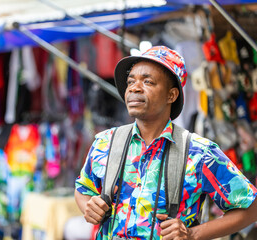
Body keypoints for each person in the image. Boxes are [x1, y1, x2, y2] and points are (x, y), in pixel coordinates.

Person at [74, 46, 257, 240]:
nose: (134, 88)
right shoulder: (105, 142)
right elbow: (83, 190)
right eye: (130, 81)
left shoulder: (200, 152)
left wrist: (193, 234)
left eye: (148, 81)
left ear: (172, 95)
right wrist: (88, 206)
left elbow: (251, 208)